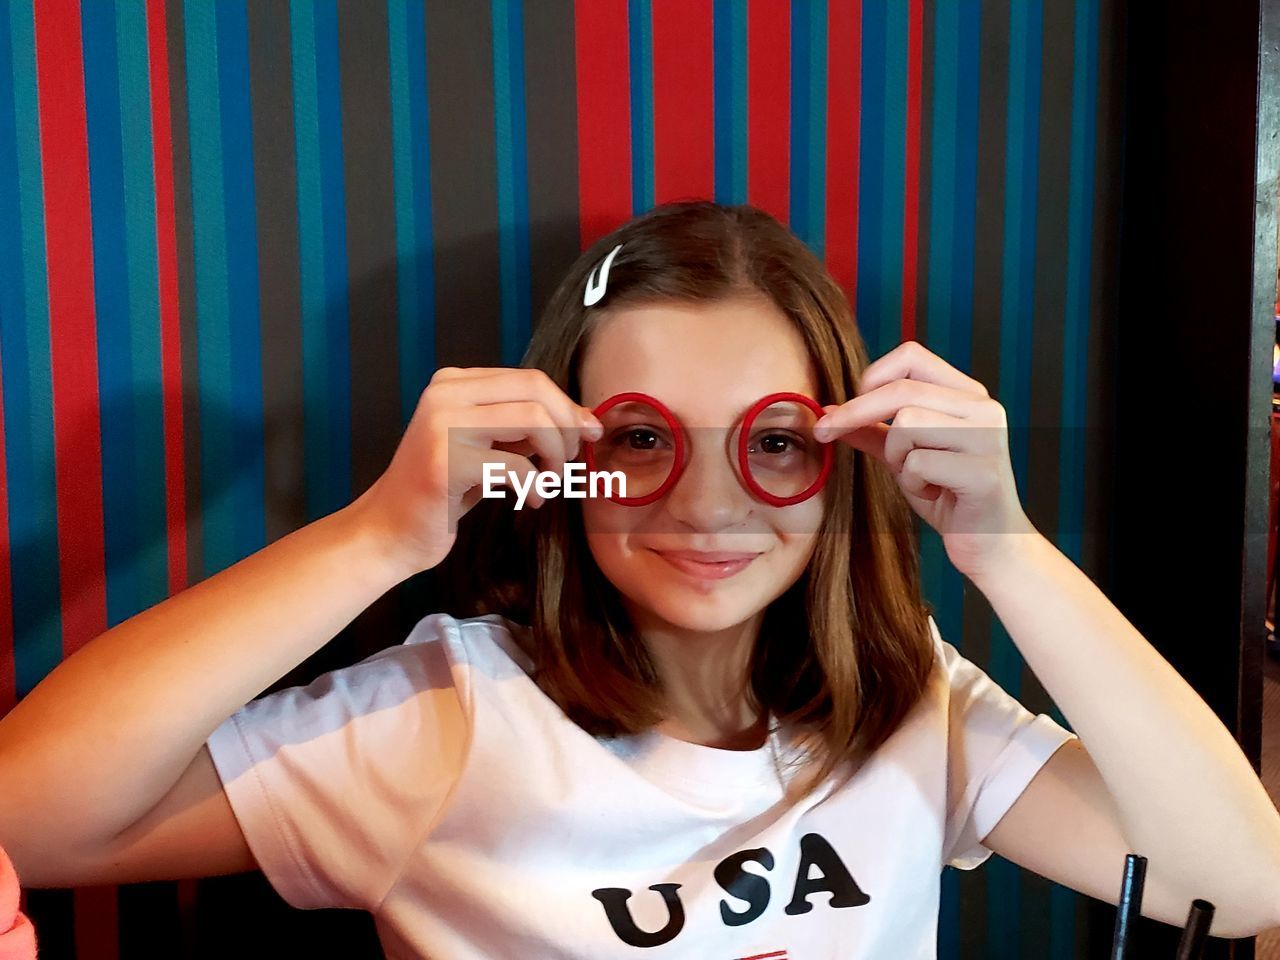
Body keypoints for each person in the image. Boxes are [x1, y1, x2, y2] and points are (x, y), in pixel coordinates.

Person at [1, 200, 1278, 957]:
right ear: (560, 454)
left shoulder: (909, 706)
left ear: (843, 460)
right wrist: (380, 533)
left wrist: (1003, 546)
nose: (711, 500)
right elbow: (30, 819)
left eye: (774, 443)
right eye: (642, 440)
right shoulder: (443, 717)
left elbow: (1240, 886)